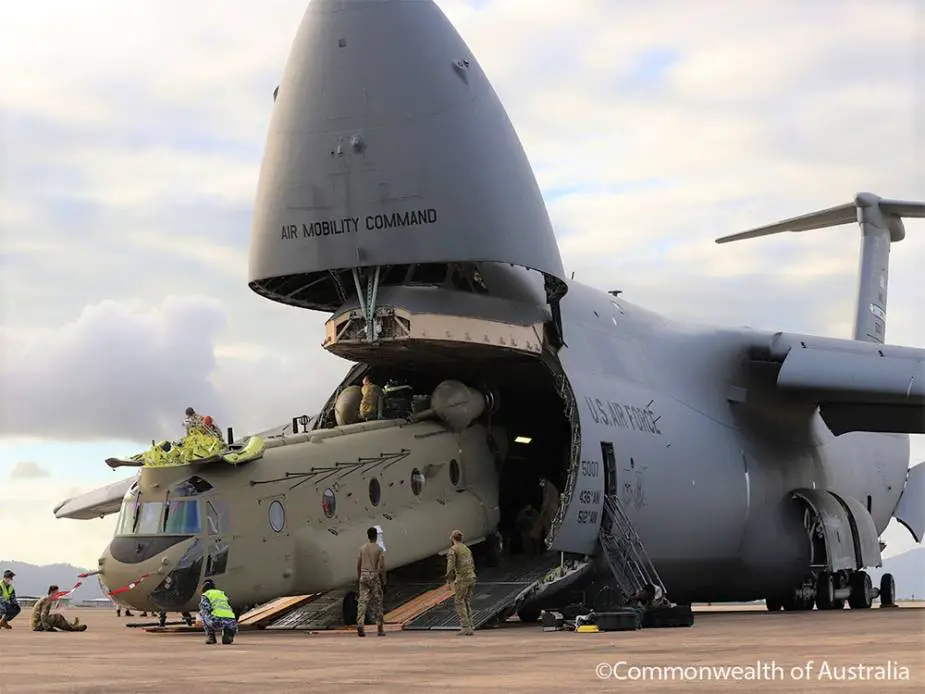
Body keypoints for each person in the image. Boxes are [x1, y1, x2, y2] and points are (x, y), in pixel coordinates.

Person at [355, 527, 386, 637]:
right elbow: (381, 566)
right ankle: (380, 628)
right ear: (376, 536)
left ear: (368, 536)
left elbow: (358, 565)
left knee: (362, 601)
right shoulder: (379, 549)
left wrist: (359, 577)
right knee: (377, 601)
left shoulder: (362, 548)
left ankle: (360, 623)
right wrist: (384, 579)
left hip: (363, 575)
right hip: (373, 576)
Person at [445, 529, 477, 635]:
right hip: (471, 577)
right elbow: (472, 564)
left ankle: (465, 627)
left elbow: (450, 566)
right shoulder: (467, 549)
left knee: (459, 601)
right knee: (467, 601)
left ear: (452, 538)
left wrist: (449, 580)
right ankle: (470, 625)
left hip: (462, 579)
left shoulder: (453, 550)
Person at [199, 578, 238, 645]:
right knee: (227, 622)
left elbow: (206, 608)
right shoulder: (221, 593)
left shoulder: (206, 595)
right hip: (232, 622)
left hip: (217, 621)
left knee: (202, 613)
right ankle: (228, 634)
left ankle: (211, 637)